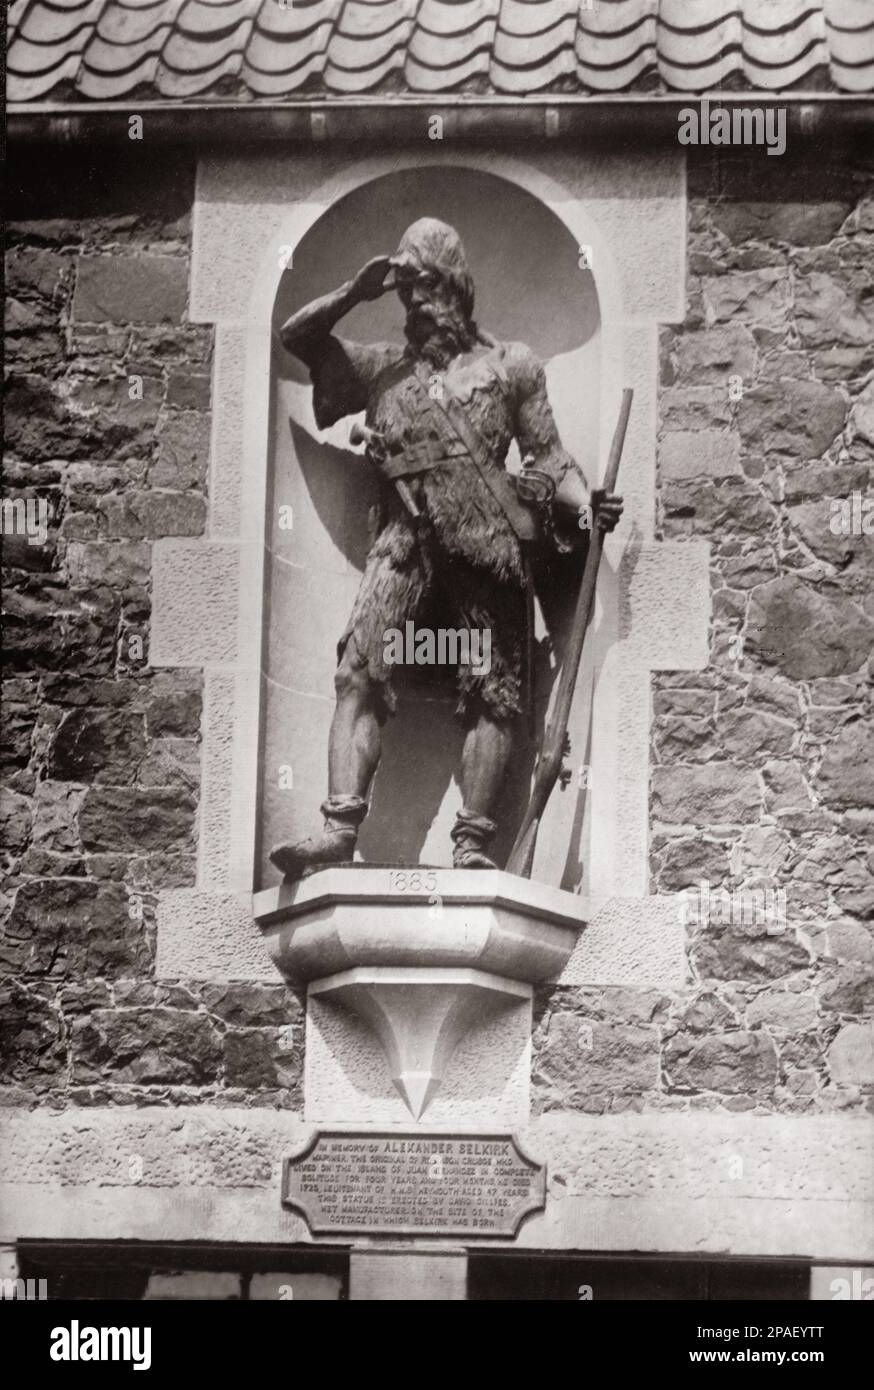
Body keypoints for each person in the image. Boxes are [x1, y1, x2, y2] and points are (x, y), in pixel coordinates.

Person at [270, 218, 622, 877]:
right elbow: (296, 337)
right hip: (405, 544)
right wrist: (355, 292)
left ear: (458, 286)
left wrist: (586, 502)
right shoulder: (381, 368)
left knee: (495, 694)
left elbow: (549, 459)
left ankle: (472, 846)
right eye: (406, 290)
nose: (416, 301)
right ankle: (339, 830)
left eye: (426, 284)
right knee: (357, 671)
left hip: (489, 547)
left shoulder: (512, 365)